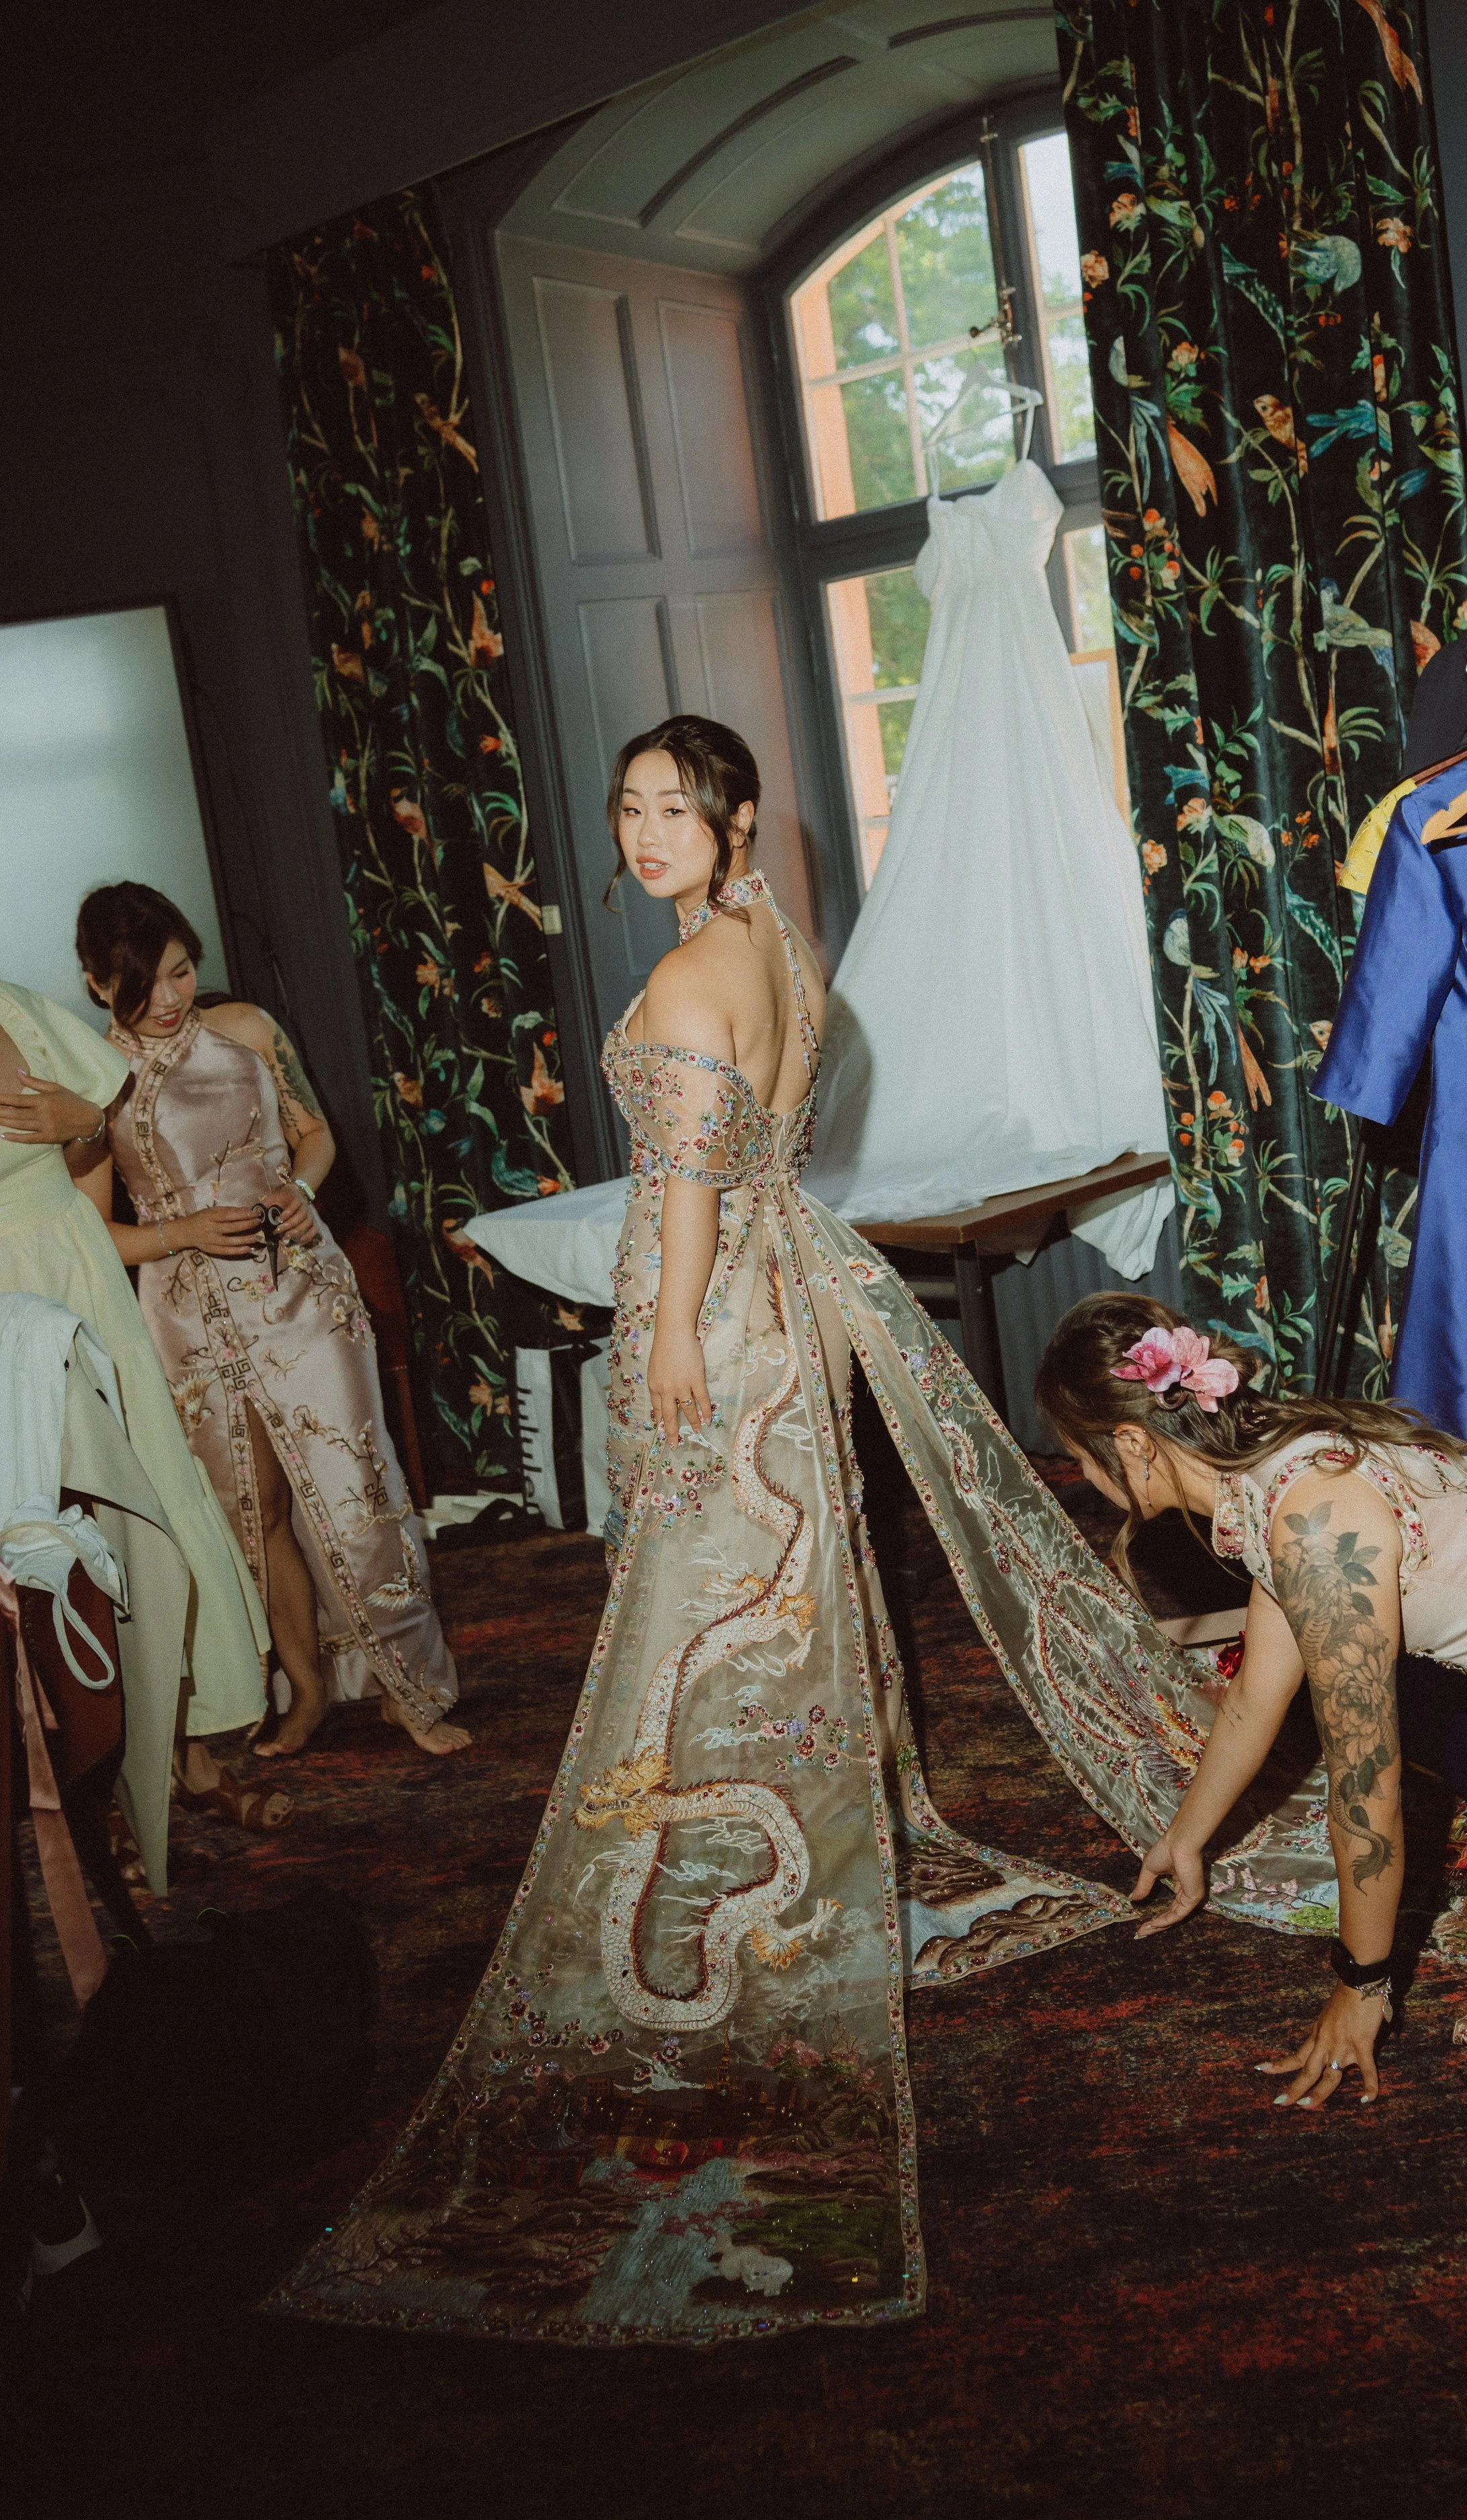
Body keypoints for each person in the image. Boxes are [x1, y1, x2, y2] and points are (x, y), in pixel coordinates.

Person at [275, 714, 1273, 2350]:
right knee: (796, 1574)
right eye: (630, 808)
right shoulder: (775, 943)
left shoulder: (683, 984)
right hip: (787, 1295)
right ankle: (833, 1824)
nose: (649, 831)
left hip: (721, 1316)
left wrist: (661, 1337)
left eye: (680, 808)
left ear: (736, 822)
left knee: (699, 1594)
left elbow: (677, 1192)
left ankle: (743, 1862)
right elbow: (762, 1136)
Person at [1034, 1290, 1467, 2106]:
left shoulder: (1313, 1525)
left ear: (1132, 1442)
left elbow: (1366, 1781)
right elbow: (1257, 1695)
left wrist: (1361, 1983)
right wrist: (1186, 1837)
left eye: (1081, 1460)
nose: (1085, 1481)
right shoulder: (1286, 1467)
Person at [71, 884, 465, 1759]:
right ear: (100, 985)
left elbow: (314, 1133)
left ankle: (410, 1688)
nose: (172, 998)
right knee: (253, 1511)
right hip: (186, 1315)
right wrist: (180, 1230)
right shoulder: (92, 1080)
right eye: (144, 987)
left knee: (357, 1488)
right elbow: (94, 1232)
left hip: (299, 1288)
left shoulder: (246, 1028)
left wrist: (302, 1188)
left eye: (181, 970)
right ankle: (305, 1691)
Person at [0, 975, 281, 1834]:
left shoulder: (16, 1008)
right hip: (7, 1313)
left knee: (143, 1513)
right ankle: (98, 1802)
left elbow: (92, 1147)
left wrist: (80, 1122)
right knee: (48, 1546)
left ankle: (187, 1760)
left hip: (80, 1286)